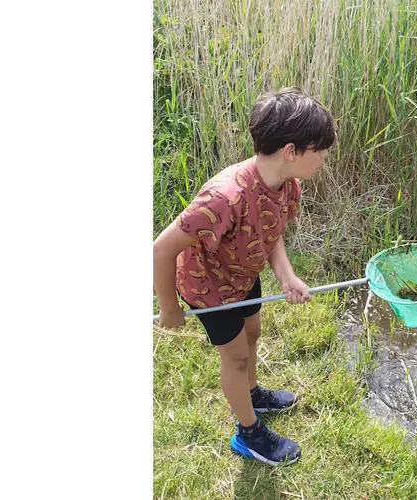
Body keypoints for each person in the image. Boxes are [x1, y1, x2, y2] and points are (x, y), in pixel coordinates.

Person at [153, 87, 336, 465]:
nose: (323, 158)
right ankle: (248, 435)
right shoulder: (224, 197)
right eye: (319, 150)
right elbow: (161, 249)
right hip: (209, 287)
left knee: (252, 334)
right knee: (235, 357)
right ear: (291, 151)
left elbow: (272, 232)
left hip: (242, 274)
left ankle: (252, 394)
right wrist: (169, 308)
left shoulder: (288, 185)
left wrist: (286, 276)